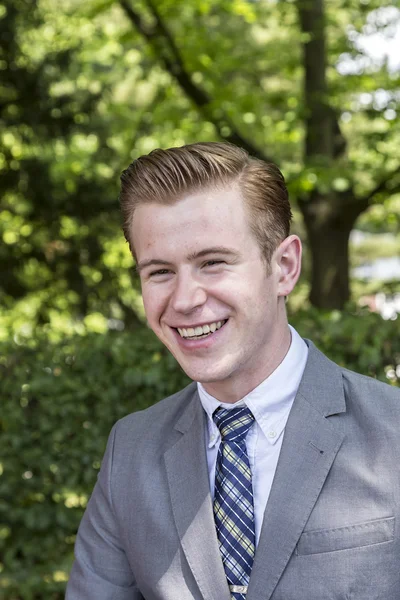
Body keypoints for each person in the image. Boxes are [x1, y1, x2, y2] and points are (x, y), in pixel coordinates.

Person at [66, 142, 400, 600]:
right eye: (160, 272)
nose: (184, 300)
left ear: (284, 267)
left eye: (213, 263)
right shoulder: (131, 451)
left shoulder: (393, 431)